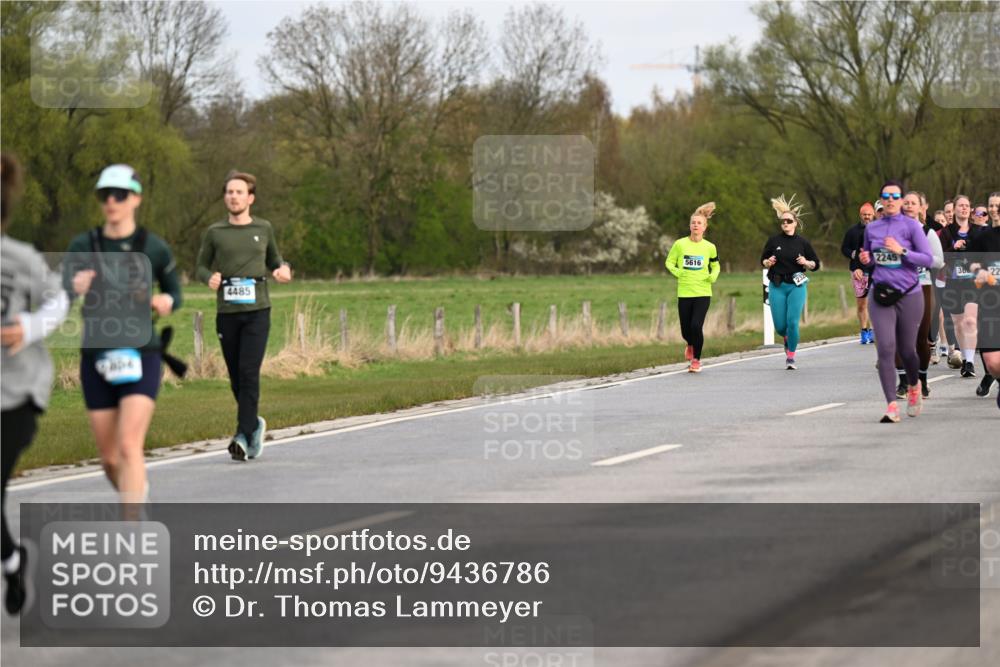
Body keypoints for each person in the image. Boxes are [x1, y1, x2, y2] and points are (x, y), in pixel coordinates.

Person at [62, 164, 183, 506]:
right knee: (110, 459)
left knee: (130, 446)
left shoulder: (154, 247)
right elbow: (58, 296)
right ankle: (136, 493)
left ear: (136, 198)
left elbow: (176, 292)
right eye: (105, 195)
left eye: (119, 195)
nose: (111, 201)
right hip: (96, 355)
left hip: (142, 353)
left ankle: (133, 531)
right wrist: (73, 287)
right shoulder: (83, 244)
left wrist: (166, 300)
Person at [1, 154, 69, 614]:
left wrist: (30, 325)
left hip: (17, 395)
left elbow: (59, 299)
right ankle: (12, 561)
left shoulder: (20, 259)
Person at [196, 171, 292, 460]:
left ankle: (241, 434)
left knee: (249, 372)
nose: (233, 196)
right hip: (227, 313)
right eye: (229, 192)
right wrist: (207, 278)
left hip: (257, 311)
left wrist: (282, 269)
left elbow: (276, 260)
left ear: (250, 198)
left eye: (239, 192)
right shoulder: (215, 232)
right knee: (237, 378)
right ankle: (254, 425)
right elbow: (199, 267)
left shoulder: (264, 228)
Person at [858, 180, 934, 423]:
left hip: (910, 294)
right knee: (886, 349)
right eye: (886, 196)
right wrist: (866, 258)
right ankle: (891, 404)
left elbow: (928, 259)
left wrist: (902, 251)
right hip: (881, 294)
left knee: (907, 350)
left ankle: (914, 385)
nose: (890, 200)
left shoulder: (911, 226)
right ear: (882, 199)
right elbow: (870, 260)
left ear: (901, 201)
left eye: (895, 196)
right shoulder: (872, 229)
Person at [760, 195, 821, 370]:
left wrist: (806, 263)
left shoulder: (803, 242)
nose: (785, 223)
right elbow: (762, 260)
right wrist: (767, 262)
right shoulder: (774, 241)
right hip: (777, 285)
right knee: (780, 327)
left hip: (797, 285)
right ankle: (786, 337)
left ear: (795, 223)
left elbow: (816, 263)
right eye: (783, 221)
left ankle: (791, 356)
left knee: (793, 322)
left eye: (788, 221)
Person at [894, 192, 944, 398]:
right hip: (898, 287)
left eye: (913, 203)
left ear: (921, 208)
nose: (909, 206)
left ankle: (922, 379)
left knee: (921, 339)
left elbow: (939, 261)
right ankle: (904, 382)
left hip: (922, 286)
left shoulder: (928, 232)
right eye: (905, 203)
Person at [665, 202, 721, 373]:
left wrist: (713, 276)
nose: (695, 225)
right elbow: (669, 262)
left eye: (699, 223)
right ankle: (689, 344)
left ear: (705, 227)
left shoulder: (710, 247)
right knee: (685, 330)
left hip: (703, 291)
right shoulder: (680, 244)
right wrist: (677, 272)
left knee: (696, 326)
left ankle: (696, 360)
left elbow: (716, 266)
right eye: (693, 223)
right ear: (690, 226)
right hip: (684, 291)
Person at [939, 194, 981, 378]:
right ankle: (964, 357)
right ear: (954, 209)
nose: (964, 208)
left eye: (967, 206)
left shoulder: (978, 231)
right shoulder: (946, 232)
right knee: (958, 323)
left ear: (970, 210)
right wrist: (953, 248)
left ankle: (970, 362)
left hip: (973, 283)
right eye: (960, 205)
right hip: (953, 282)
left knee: (970, 321)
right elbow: (938, 258)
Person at [970, 196, 1000, 409]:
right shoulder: (983, 236)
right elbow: (969, 262)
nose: (994, 209)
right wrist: (978, 271)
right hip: (990, 302)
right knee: (990, 361)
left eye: (998, 206)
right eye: (991, 206)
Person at [841, 202, 876, 344]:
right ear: (860, 215)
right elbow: (844, 249)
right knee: (862, 303)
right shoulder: (852, 231)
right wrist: (853, 255)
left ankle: (874, 331)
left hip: (876, 271)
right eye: (864, 214)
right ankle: (863, 331)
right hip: (858, 271)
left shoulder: (878, 230)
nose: (866, 217)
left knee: (875, 302)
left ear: (873, 215)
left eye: (869, 214)